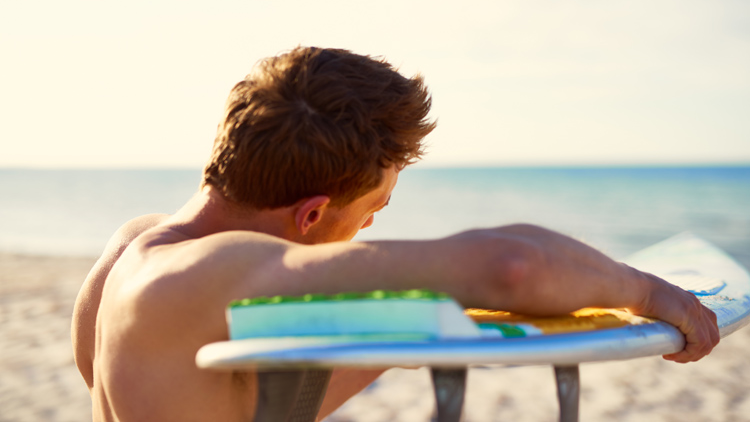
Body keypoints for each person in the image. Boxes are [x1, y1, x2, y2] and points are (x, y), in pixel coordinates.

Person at [72, 46, 719, 421]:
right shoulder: (205, 275)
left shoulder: (132, 248)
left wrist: (416, 327)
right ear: (310, 213)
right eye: (373, 208)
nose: (372, 225)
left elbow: (233, 401)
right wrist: (648, 291)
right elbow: (512, 266)